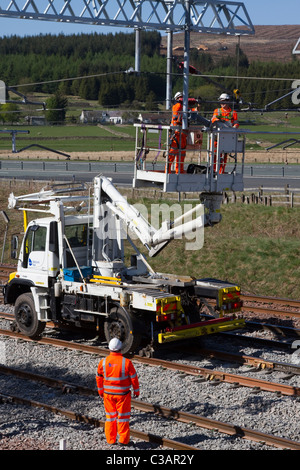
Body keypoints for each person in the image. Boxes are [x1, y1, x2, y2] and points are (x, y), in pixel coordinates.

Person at [96, 337, 140, 446]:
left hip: (108, 395)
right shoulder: (126, 362)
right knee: (123, 417)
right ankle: (123, 440)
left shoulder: (103, 362)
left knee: (110, 417)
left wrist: (101, 391)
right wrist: (136, 390)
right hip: (123, 395)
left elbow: (99, 378)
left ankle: (111, 440)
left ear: (110, 348)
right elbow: (134, 378)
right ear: (121, 348)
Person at [211, 93, 239, 173]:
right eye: (221, 101)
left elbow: (236, 123)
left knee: (224, 156)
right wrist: (218, 121)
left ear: (228, 101)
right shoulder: (217, 111)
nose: (222, 103)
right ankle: (213, 171)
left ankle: (221, 172)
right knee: (215, 155)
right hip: (217, 137)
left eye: (224, 101)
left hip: (227, 137)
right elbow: (213, 120)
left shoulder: (233, 112)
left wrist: (234, 127)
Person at [166, 91, 188, 174]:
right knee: (172, 156)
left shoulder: (183, 107)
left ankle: (179, 173)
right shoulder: (177, 106)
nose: (182, 99)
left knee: (181, 157)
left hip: (182, 136)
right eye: (180, 98)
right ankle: (169, 173)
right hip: (176, 135)